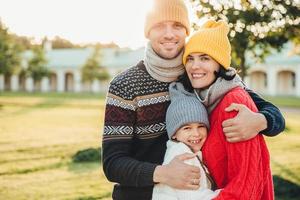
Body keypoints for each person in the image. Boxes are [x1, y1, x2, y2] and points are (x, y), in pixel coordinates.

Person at [102, 0, 284, 199]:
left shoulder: (198, 73)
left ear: (186, 31)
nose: (169, 34)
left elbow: (268, 110)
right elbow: (113, 164)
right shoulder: (125, 84)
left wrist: (262, 120)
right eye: (159, 26)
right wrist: (164, 174)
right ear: (148, 32)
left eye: (177, 26)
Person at [181, 19, 274, 199]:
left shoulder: (233, 103)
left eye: (205, 58)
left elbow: (246, 187)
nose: (194, 66)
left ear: (220, 64)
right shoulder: (203, 99)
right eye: (190, 58)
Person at [152, 82, 221, 200]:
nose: (196, 133)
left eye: (201, 126)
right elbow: (192, 196)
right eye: (187, 128)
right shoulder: (182, 155)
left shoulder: (184, 149)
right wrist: (228, 192)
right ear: (174, 134)